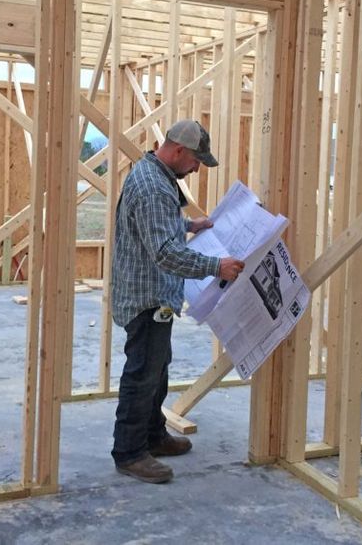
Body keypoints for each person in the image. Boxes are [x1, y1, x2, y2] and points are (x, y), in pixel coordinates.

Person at [111, 118, 245, 484]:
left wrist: (190, 225)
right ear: (178, 150)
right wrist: (217, 266)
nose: (197, 167)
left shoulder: (154, 175)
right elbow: (166, 254)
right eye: (196, 159)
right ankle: (129, 452)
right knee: (142, 374)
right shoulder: (154, 187)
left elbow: (154, 225)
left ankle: (152, 436)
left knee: (157, 367)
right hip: (147, 295)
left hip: (153, 292)